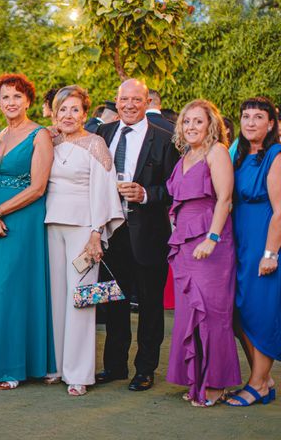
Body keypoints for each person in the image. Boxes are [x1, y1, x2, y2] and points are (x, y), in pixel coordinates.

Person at [95, 78, 178, 391]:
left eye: (136, 100)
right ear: (116, 101)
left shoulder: (166, 137)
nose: (129, 105)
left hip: (149, 233)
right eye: (124, 99)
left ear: (147, 103)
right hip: (110, 233)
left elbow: (175, 188)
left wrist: (146, 194)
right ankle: (114, 366)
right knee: (113, 301)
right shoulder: (101, 134)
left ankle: (145, 369)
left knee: (150, 304)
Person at [44, 85, 124, 395]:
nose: (67, 115)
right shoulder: (48, 142)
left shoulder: (96, 144)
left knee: (81, 299)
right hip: (51, 225)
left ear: (85, 114)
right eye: (62, 109)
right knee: (55, 297)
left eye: (74, 109)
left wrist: (96, 234)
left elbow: (104, 191)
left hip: (84, 230)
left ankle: (78, 373)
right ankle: (56, 365)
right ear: (54, 112)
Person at [0, 73, 55, 389]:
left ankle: (11, 369)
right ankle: (4, 359)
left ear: (28, 100)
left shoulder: (40, 135)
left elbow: (38, 187)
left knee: (11, 289)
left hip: (22, 219)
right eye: (5, 97)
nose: (10, 103)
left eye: (17, 97)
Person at [165, 99, 241, 407]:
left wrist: (211, 237)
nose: (192, 127)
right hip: (184, 242)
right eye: (187, 121)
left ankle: (215, 384)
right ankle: (196, 379)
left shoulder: (217, 152)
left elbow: (224, 199)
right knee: (188, 313)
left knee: (212, 314)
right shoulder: (185, 154)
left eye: (199, 121)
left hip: (211, 241)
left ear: (211, 125)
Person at [227, 97, 281, 406]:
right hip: (240, 244)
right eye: (246, 116)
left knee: (260, 313)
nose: (250, 122)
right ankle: (263, 378)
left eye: (258, 117)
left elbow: (280, 211)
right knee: (238, 315)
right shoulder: (240, 155)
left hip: (264, 244)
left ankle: (258, 383)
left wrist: (270, 253)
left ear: (270, 124)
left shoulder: (276, 155)